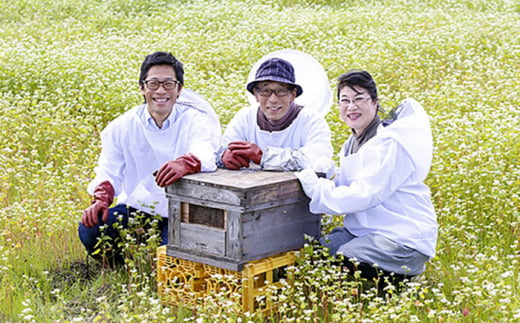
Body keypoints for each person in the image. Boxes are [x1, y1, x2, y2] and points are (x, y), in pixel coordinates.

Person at [296, 70, 438, 290]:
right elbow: (347, 185)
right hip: (366, 231)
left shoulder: (388, 143)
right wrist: (325, 175)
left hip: (402, 237)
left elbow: (365, 194)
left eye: (359, 99)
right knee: (320, 251)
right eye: (345, 101)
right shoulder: (351, 143)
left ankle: (397, 288)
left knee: (347, 258)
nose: (351, 107)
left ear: (374, 102)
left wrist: (318, 190)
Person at [78, 51, 221, 264]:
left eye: (169, 84)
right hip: (137, 208)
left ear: (180, 89)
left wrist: (186, 163)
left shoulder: (195, 120)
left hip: (179, 211)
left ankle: (160, 259)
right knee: (91, 229)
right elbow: (109, 169)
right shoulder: (122, 126)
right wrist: (101, 198)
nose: (161, 91)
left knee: (173, 262)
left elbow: (207, 152)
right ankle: (121, 268)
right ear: (142, 87)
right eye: (153, 83)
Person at [216, 57, 333, 174]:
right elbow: (222, 148)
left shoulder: (311, 120)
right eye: (265, 91)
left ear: (293, 94)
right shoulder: (245, 118)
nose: (273, 99)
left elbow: (318, 159)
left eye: (281, 91)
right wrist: (224, 156)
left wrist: (264, 157)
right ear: (255, 95)